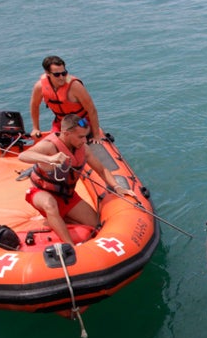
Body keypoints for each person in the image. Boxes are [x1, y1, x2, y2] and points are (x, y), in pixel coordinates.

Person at [18, 114, 129, 246]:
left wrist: (117, 187)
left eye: (85, 136)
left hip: (67, 196)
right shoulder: (49, 146)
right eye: (80, 137)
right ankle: (70, 245)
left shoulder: (84, 149)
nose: (84, 140)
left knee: (96, 225)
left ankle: (62, 220)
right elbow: (23, 155)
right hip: (41, 192)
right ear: (66, 133)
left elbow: (102, 170)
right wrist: (50, 159)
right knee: (50, 205)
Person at [29, 55, 103, 141]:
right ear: (47, 73)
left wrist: (96, 136)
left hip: (81, 121)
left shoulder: (75, 86)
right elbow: (34, 105)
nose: (61, 77)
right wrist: (35, 128)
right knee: (51, 142)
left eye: (64, 73)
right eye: (57, 74)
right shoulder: (40, 86)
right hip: (61, 123)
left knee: (73, 137)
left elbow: (92, 110)